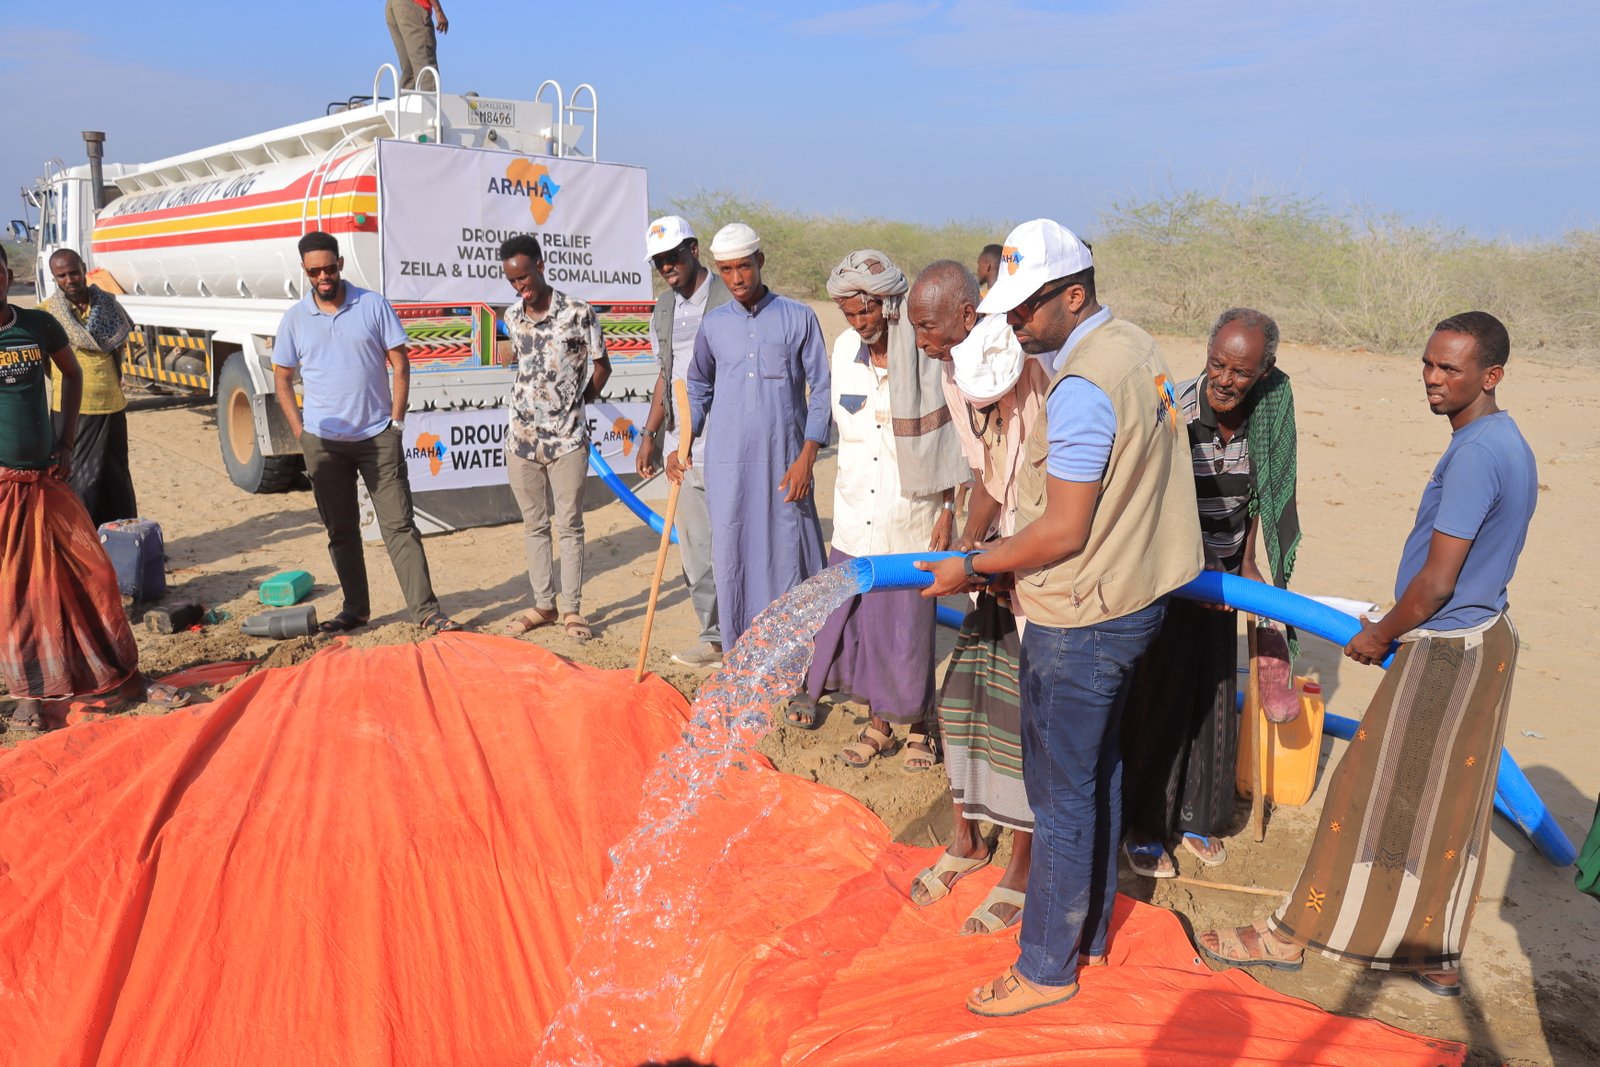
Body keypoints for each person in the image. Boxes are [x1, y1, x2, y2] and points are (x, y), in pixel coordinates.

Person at [1197, 311, 1538, 1000]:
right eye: (1428, 363)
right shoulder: (1507, 440)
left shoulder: (1475, 455)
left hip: (1444, 648)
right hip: (1486, 638)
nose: (1433, 378)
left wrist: (1382, 634)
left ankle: (1289, 936)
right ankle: (1434, 954)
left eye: (1450, 368)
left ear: (1491, 375)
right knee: (1450, 807)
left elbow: (1437, 582)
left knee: (1363, 792)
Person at [918, 219, 1202, 1017]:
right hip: (1131, 599)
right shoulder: (1134, 347)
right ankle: (1090, 934)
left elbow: (1063, 529)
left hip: (1081, 618)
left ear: (1073, 296)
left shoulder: (1079, 388)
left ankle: (1045, 965)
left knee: (1060, 796)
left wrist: (974, 565)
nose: (1013, 322)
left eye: (1025, 307)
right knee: (1097, 773)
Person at [1120, 307, 1301, 877]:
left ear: (1264, 371)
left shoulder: (1267, 419)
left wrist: (1245, 565)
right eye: (1217, 364)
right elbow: (1150, 497)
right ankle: (1145, 823)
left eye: (1240, 372)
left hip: (1224, 579)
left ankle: (1197, 815)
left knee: (1216, 692)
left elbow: (1260, 497)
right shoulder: (1176, 410)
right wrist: (1192, 565)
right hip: (1168, 575)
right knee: (1160, 697)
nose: (1224, 380)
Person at [904, 259, 1050, 935]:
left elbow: (1044, 497)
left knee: (1026, 723)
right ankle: (966, 839)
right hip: (994, 560)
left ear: (968, 317)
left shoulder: (1032, 373)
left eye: (928, 327)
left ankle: (1023, 864)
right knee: (962, 700)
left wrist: (992, 561)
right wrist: (968, 549)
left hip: (1042, 566)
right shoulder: (952, 370)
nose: (921, 341)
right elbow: (988, 472)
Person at [785, 250, 967, 770]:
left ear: (889, 304)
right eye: (849, 313)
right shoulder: (845, 350)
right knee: (866, 627)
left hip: (912, 515)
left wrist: (949, 509)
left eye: (866, 310)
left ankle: (921, 728)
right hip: (855, 512)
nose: (859, 323)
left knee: (908, 630)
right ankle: (879, 726)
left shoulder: (928, 352)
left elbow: (956, 440)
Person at [1, 244, 186, 733]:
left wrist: (65, 441)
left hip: (47, 478)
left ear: (8, 275)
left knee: (95, 574)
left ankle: (125, 678)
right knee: (19, 593)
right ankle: (30, 696)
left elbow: (72, 372)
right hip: (4, 489)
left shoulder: (37, 325)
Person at [272, 231, 460, 635]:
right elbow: (282, 378)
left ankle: (426, 612)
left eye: (329, 267)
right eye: (314, 271)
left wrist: (396, 422)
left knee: (400, 526)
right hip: (323, 443)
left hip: (378, 437)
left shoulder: (373, 305)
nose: (323, 276)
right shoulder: (295, 319)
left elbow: (400, 363)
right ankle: (355, 611)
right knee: (341, 531)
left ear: (340, 263)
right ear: (305, 271)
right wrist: (300, 432)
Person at [678, 223, 829, 649]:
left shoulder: (798, 316)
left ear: (760, 261)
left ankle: (794, 652)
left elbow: (821, 389)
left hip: (785, 461)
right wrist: (684, 442)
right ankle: (738, 651)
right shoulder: (714, 324)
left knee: (788, 552)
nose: (737, 278)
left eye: (744, 266)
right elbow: (698, 385)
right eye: (726, 270)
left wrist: (807, 457)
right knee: (732, 552)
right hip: (726, 464)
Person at [497, 233, 611, 642]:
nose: (520, 287)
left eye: (524, 277)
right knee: (534, 525)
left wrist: (578, 403)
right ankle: (543, 604)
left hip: (567, 441)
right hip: (521, 440)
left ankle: (572, 610)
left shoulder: (579, 313)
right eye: (513, 281)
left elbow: (602, 366)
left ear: (541, 267)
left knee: (570, 526)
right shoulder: (512, 316)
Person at [634, 216, 733, 667]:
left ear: (693, 250)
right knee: (695, 552)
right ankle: (714, 639)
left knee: (737, 546)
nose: (667, 267)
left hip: (731, 444)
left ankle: (748, 637)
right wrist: (650, 434)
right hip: (683, 449)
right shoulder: (663, 308)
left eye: (673, 257)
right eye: (658, 262)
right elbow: (665, 373)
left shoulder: (730, 297)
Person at [41, 248, 137, 527]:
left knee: (116, 478)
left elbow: (120, 348)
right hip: (73, 409)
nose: (69, 280)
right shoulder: (47, 314)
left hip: (112, 403)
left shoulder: (109, 305)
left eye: (74, 272)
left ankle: (120, 539)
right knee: (79, 480)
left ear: (84, 269)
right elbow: (45, 363)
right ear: (54, 278)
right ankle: (83, 542)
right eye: (62, 276)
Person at [385, 0, 447, 90]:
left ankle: (407, 96)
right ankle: (429, 97)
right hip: (413, 5)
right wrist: (438, 10)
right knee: (425, 66)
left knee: (410, 70)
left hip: (394, 6)